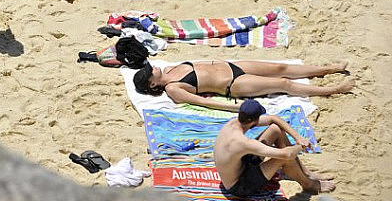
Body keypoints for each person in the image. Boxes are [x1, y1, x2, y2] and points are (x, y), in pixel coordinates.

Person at [214, 99, 336, 196]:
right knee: (284, 158)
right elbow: (287, 155)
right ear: (253, 121)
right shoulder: (244, 142)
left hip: (241, 165)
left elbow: (274, 119)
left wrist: (298, 137)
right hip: (239, 186)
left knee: (275, 130)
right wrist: (301, 146)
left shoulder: (233, 123)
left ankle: (305, 172)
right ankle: (308, 184)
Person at [133, 60, 354, 112]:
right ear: (153, 84)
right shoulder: (173, 89)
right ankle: (332, 90)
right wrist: (235, 108)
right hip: (233, 84)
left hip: (233, 65)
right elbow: (202, 102)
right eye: (150, 72)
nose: (153, 67)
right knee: (283, 83)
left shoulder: (170, 68)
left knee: (281, 68)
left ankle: (328, 69)